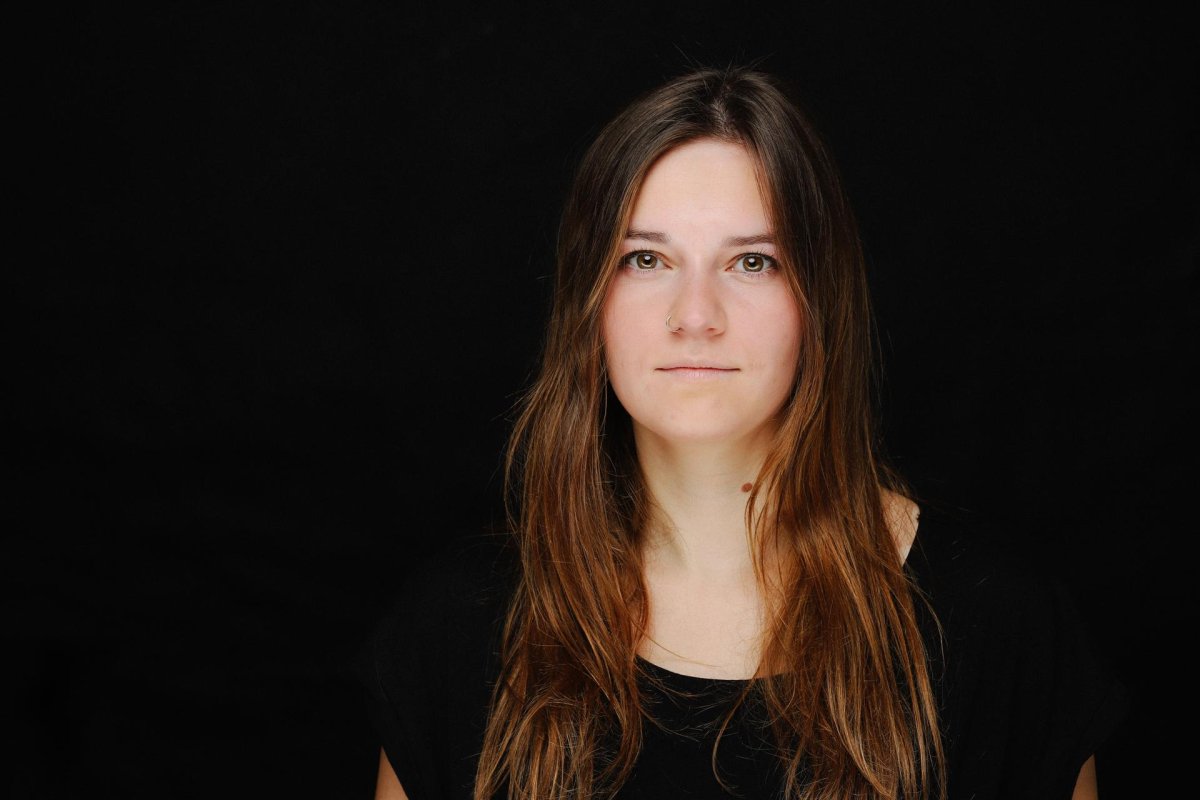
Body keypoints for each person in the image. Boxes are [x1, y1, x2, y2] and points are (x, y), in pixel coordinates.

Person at [360, 66, 1126, 800]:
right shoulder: (456, 628)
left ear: (818, 300)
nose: (695, 315)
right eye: (646, 259)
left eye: (753, 262)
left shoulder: (1001, 628)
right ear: (588, 301)